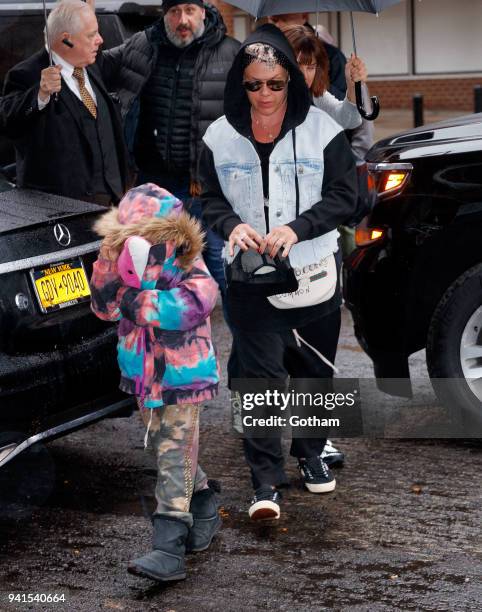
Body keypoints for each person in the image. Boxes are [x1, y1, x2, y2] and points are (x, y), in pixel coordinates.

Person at [200, 24, 358, 520]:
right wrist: (232, 226)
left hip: (313, 272)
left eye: (274, 83)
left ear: (289, 80)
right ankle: (265, 482)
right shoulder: (218, 137)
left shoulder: (324, 131)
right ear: (239, 85)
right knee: (260, 379)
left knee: (315, 373)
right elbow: (207, 199)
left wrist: (296, 228)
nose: (264, 93)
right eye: (253, 84)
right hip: (250, 279)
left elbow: (345, 198)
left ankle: (311, 456)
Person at [90, 183, 221, 582]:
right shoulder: (124, 261)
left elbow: (196, 302)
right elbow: (103, 308)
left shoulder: (184, 260)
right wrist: (107, 265)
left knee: (172, 448)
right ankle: (205, 505)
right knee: (169, 450)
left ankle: (168, 547)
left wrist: (137, 301)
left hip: (184, 374)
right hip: (142, 376)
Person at [95, 0, 241, 294]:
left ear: (203, 10)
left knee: (219, 263)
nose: (182, 20)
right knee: (153, 263)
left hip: (206, 185)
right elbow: (97, 66)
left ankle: (248, 335)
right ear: (165, 15)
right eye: (174, 12)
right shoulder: (143, 45)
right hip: (154, 184)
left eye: (189, 10)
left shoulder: (230, 52)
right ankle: (162, 332)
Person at [0, 0, 129, 205]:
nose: (100, 40)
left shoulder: (92, 65)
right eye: (91, 35)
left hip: (110, 206)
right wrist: (40, 94)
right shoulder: (25, 74)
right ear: (66, 40)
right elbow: (8, 122)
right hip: (61, 216)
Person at [268, 13, 347, 100]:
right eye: (274, 20)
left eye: (285, 19)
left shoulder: (333, 56)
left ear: (304, 16)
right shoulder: (264, 52)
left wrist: (317, 83)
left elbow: (341, 105)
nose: (278, 25)